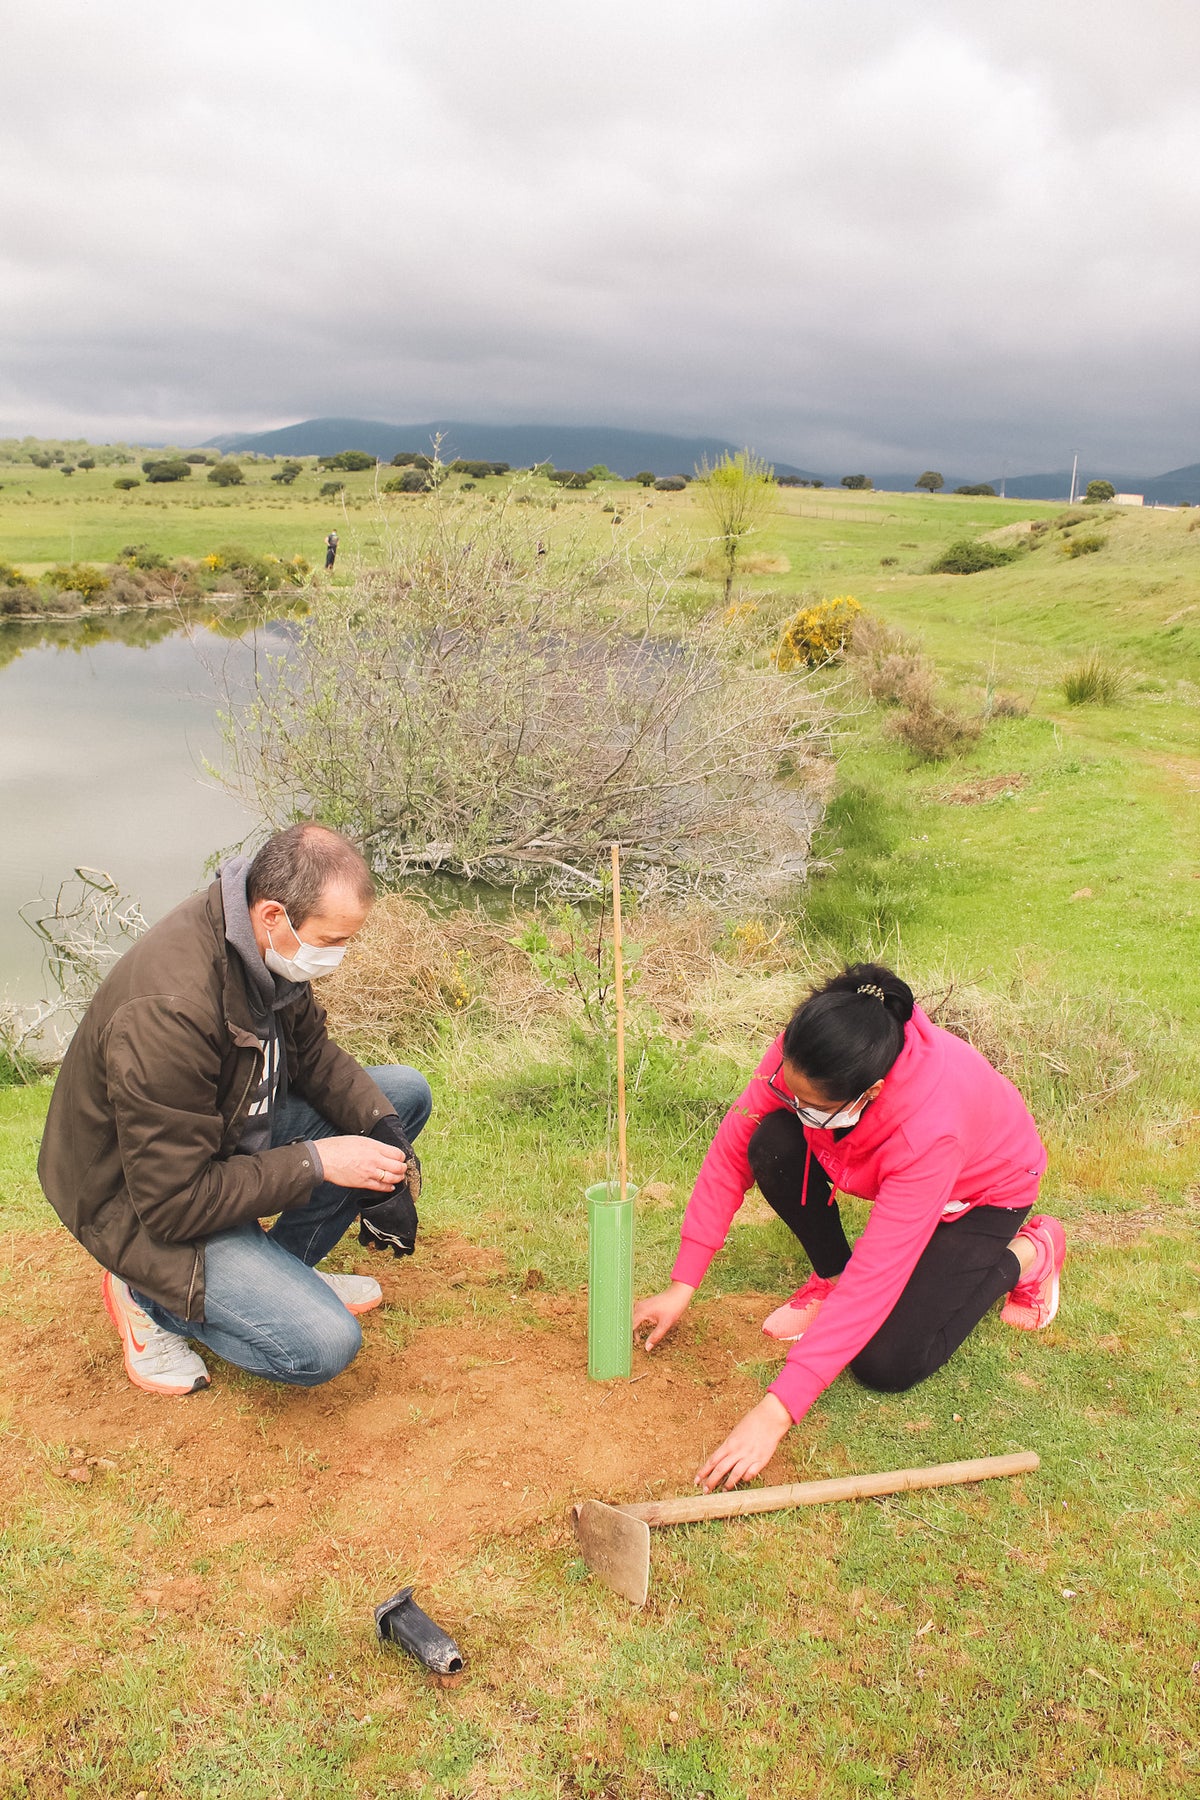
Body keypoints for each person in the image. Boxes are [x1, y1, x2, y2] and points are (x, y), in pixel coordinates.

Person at [632, 963, 1063, 1492]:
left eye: (812, 1107)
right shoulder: (813, 1047)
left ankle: (1031, 1251)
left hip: (984, 1195)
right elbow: (732, 1149)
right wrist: (683, 1282)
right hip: (905, 1169)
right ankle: (826, 1280)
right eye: (790, 1091)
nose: (794, 1105)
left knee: (887, 1362)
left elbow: (877, 1278)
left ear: (871, 1093)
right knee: (771, 1140)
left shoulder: (928, 1132)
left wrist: (776, 1412)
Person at [39, 823, 432, 1398]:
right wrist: (317, 1161)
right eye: (333, 941)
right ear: (274, 914)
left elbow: (314, 1057)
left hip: (218, 1134)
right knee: (323, 1344)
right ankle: (147, 1300)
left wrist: (387, 1138)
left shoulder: (263, 948)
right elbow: (173, 1202)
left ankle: (279, 1274)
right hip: (134, 1200)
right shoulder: (169, 1010)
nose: (338, 958)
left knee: (400, 1095)